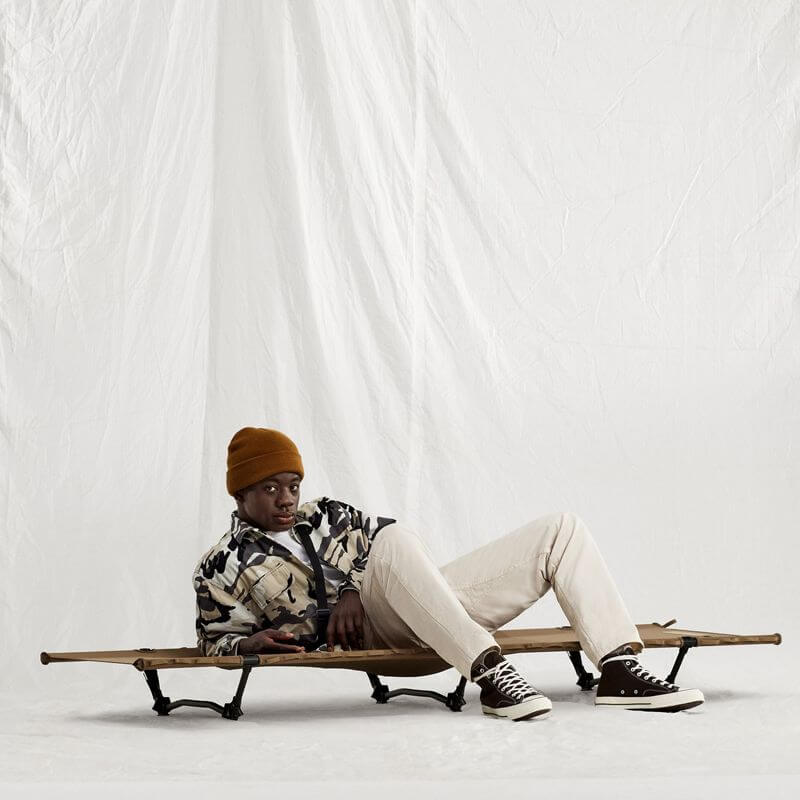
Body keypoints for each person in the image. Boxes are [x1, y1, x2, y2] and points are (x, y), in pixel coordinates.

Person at [193, 426, 704, 721]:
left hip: (430, 616)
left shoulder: (327, 513)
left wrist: (352, 588)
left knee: (561, 529)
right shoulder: (221, 564)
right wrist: (245, 643)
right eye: (270, 489)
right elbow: (212, 641)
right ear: (240, 493)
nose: (287, 499)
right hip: (378, 640)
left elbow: (388, 540)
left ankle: (617, 666)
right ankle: (491, 674)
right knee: (393, 542)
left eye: (293, 485)